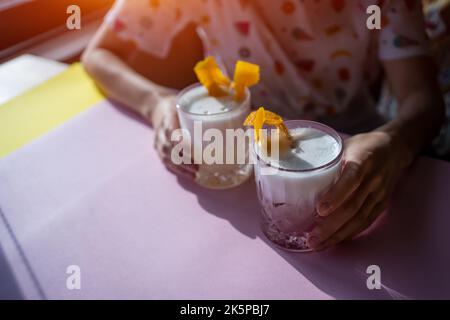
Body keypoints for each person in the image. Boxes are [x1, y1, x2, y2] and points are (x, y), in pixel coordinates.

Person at [82, 0, 445, 251]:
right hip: (244, 158)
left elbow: (424, 103)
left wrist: (393, 144)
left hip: (358, 146)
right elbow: (98, 54)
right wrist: (156, 102)